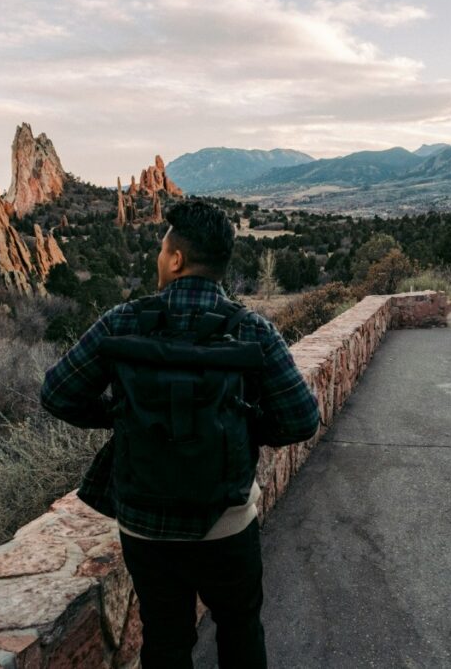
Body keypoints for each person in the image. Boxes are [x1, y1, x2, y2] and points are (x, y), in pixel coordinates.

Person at [40, 199, 320, 668]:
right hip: (226, 522)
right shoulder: (252, 331)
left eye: (161, 248)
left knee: (165, 639)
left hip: (145, 527)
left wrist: (122, 416)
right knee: (239, 626)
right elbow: (301, 420)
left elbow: (57, 394)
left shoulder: (122, 322)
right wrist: (244, 424)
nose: (158, 257)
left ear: (176, 259)